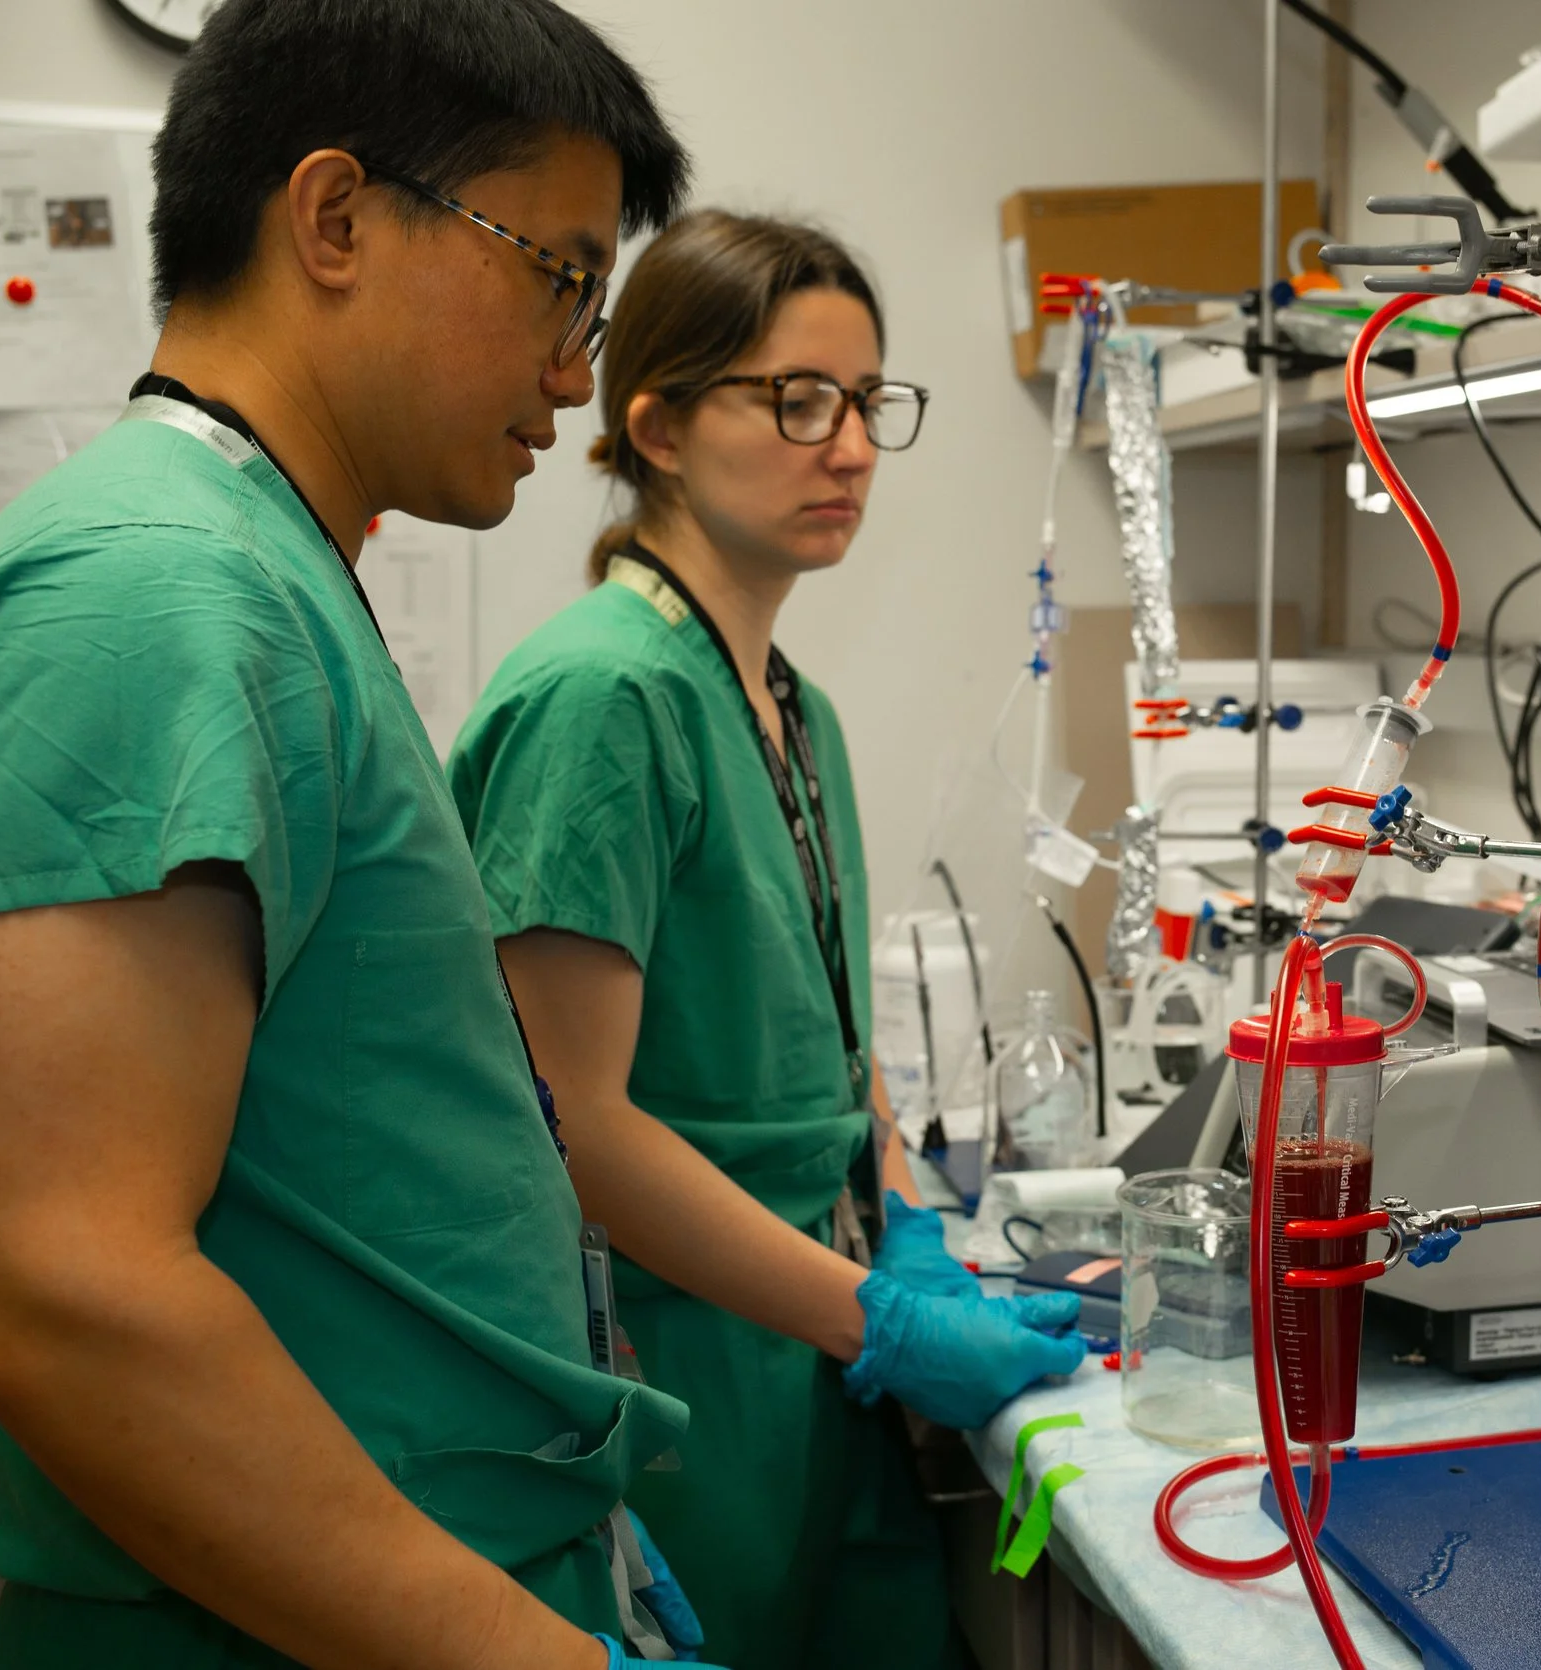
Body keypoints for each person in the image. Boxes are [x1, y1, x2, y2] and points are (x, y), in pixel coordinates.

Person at [0, 2, 719, 1665]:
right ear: (337, 218)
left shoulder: (270, 571)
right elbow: (46, 1283)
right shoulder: (153, 591)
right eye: (560, 277)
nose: (578, 376)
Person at [445, 212, 1083, 1669]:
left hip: (809, 1344)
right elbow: (576, 1129)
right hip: (674, 1371)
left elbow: (827, 1036)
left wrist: (907, 1216)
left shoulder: (793, 707)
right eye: (799, 399)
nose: (849, 445)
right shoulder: (604, 699)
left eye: (868, 402)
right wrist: (879, 1316)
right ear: (658, 424)